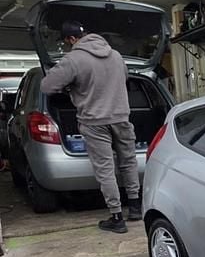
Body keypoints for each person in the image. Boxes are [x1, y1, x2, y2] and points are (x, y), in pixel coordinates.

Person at [40, 21, 140, 233]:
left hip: (95, 122)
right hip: (121, 117)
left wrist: (71, 87)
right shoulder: (115, 55)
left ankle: (116, 217)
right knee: (128, 162)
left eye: (67, 42)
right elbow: (126, 78)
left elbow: (47, 87)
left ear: (71, 39)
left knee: (105, 170)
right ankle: (135, 207)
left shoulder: (74, 59)